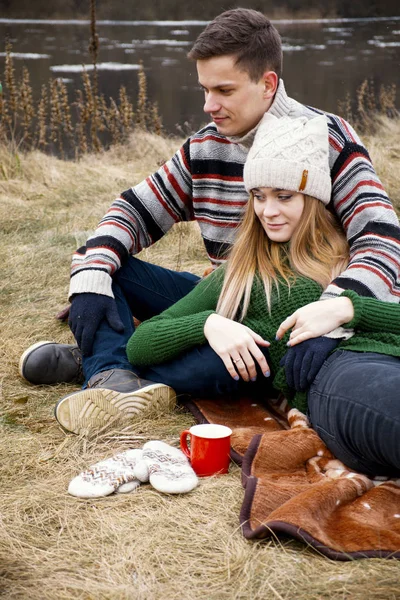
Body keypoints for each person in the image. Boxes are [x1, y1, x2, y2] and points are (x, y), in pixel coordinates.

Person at [19, 9, 400, 430]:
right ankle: (109, 371)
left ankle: (101, 359)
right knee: (102, 263)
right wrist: (89, 279)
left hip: (288, 314)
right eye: (203, 90)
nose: (209, 105)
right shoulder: (204, 147)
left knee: (221, 364)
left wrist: (328, 314)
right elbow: (133, 210)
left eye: (224, 90)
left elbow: (381, 240)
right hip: (226, 292)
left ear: (267, 84)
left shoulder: (327, 139)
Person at [54, 114, 400, 478]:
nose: (268, 211)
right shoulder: (244, 271)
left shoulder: (357, 261)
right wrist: (209, 324)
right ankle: (109, 372)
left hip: (381, 357)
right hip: (338, 381)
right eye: (259, 197)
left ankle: (96, 366)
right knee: (213, 363)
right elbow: (145, 340)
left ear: (314, 199)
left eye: (284, 196)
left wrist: (347, 308)